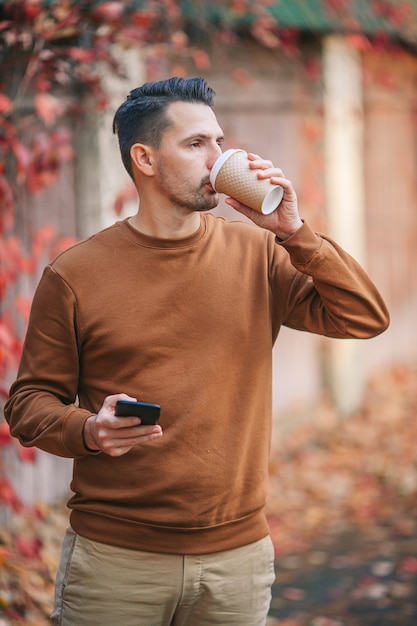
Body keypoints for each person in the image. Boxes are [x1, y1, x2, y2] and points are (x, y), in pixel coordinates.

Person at [4, 76, 389, 626]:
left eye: (219, 140)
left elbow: (364, 317)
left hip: (238, 560)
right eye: (196, 144)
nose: (220, 158)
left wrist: (295, 232)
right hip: (116, 561)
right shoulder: (75, 275)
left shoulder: (260, 252)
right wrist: (88, 431)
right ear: (145, 158)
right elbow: (28, 403)